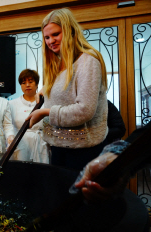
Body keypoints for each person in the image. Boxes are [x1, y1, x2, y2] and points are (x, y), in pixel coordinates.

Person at [27, 8, 108, 170]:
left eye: (56, 34)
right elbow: (65, 86)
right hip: (58, 146)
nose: (51, 41)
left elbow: (84, 110)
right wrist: (46, 89)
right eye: (47, 37)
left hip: (82, 151)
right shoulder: (57, 63)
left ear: (71, 31)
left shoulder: (88, 61)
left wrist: (44, 112)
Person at [9, 69, 50, 162]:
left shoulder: (45, 103)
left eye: (30, 82)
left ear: (37, 84)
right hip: (20, 144)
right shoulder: (12, 104)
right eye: (23, 82)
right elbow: (8, 126)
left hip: (40, 143)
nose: (27, 85)